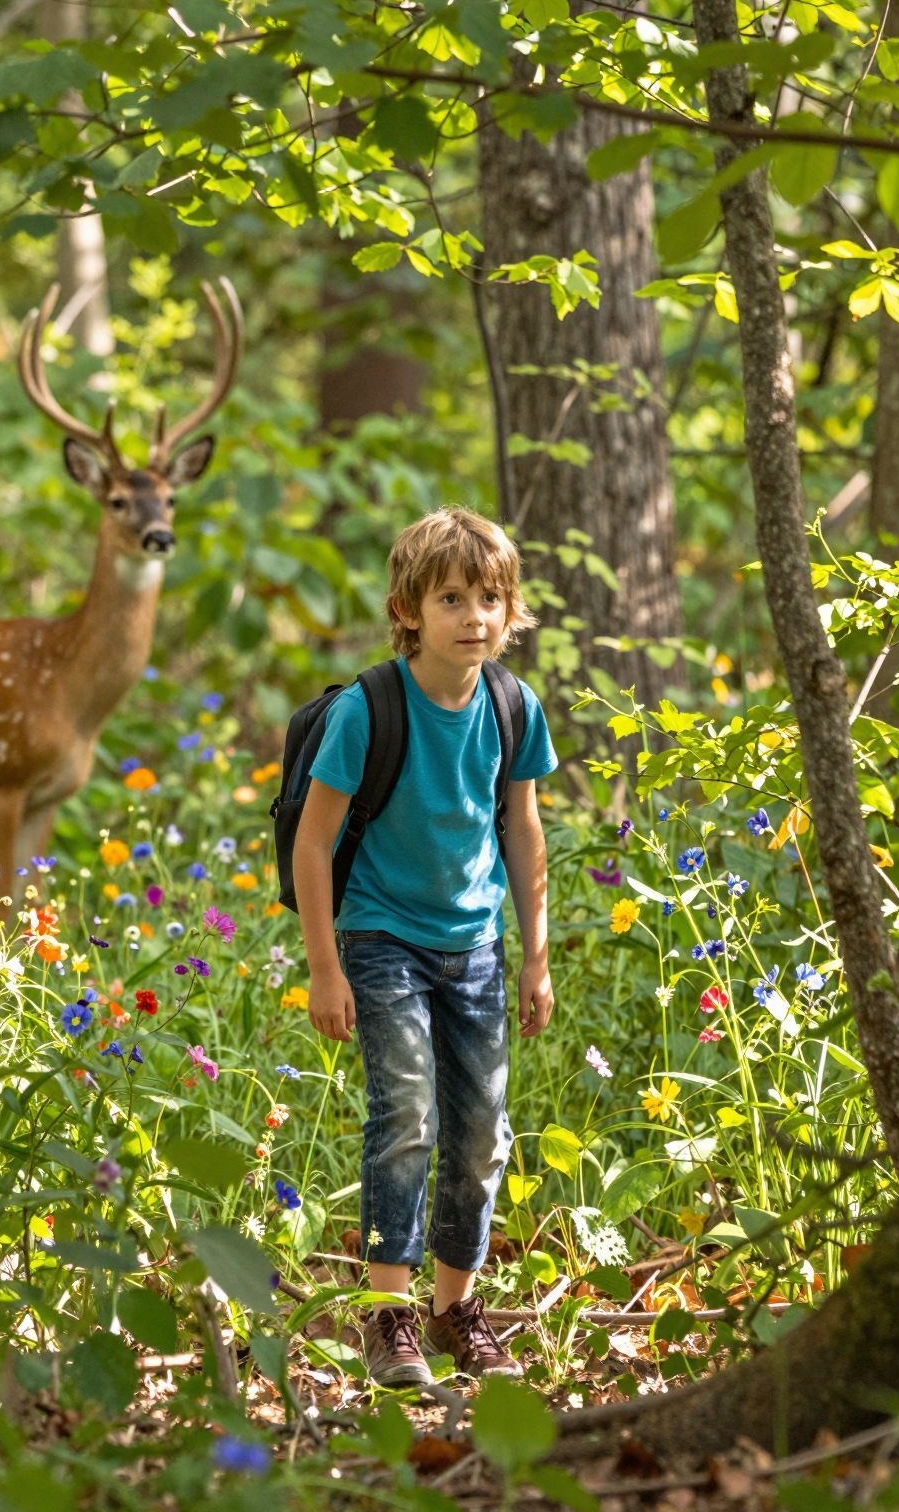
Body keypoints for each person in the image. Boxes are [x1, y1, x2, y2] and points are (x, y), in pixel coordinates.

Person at [294, 505, 558, 1388]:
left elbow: (523, 831)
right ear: (408, 609)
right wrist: (325, 965)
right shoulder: (369, 711)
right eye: (452, 598)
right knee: (406, 1116)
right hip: (379, 938)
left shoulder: (514, 707)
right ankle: (388, 1316)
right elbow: (313, 841)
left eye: (490, 597)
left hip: (476, 945)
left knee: (482, 1134)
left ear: (510, 609)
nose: (474, 616)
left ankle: (456, 1312)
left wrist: (535, 955)